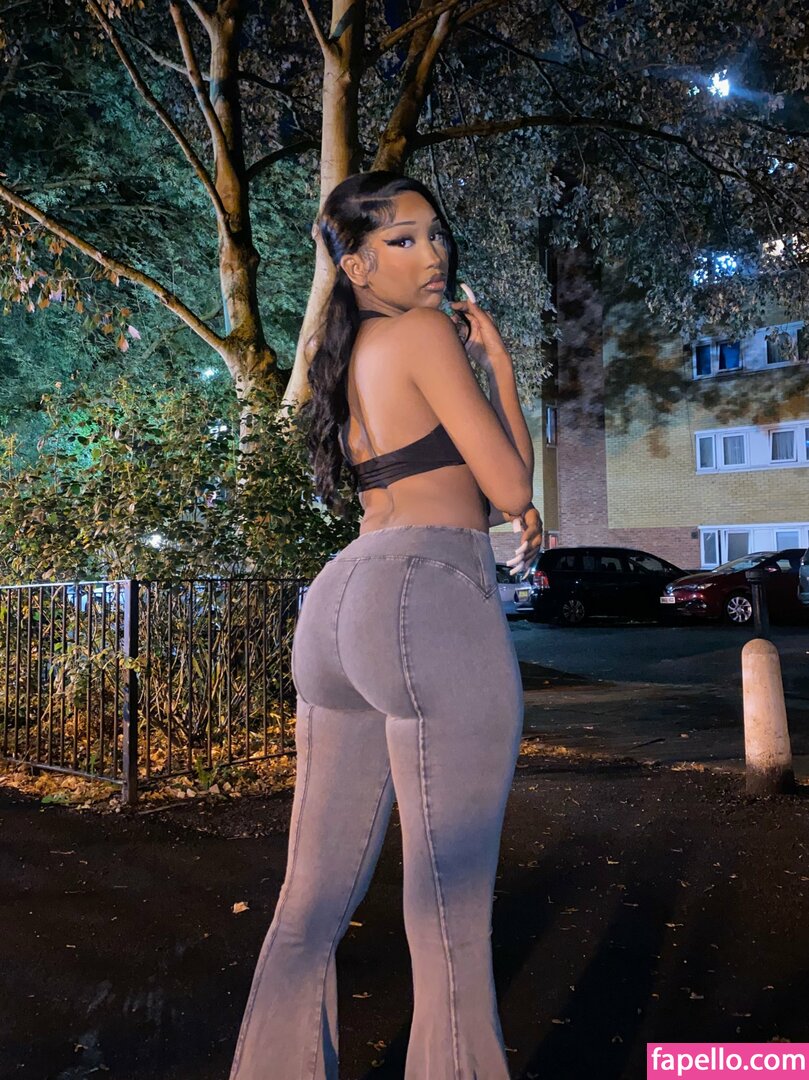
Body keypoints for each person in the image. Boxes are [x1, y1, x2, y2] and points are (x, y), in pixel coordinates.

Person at [229, 171, 543, 1080]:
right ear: (357, 265)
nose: (432, 253)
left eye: (435, 234)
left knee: (312, 893)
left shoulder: (352, 354)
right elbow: (509, 486)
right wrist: (502, 374)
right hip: (429, 594)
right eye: (402, 239)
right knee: (449, 901)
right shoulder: (423, 334)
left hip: (341, 599)